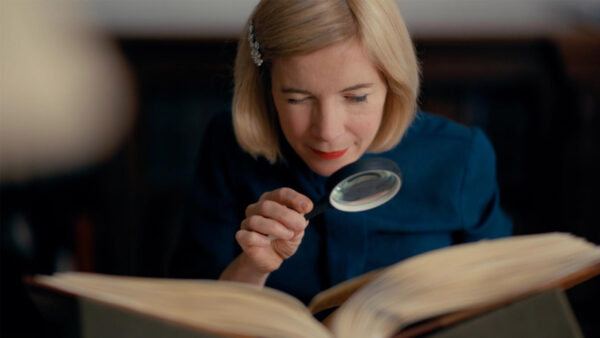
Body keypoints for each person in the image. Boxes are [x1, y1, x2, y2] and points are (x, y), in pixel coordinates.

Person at [170, 0, 511, 304]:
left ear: (393, 83)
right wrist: (252, 267)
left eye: (357, 97)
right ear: (265, 90)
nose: (327, 132)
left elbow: (504, 299)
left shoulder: (460, 156)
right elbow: (189, 313)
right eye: (297, 99)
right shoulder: (228, 145)